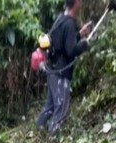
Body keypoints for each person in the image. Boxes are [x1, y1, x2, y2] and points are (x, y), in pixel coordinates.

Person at [36, 0, 92, 134]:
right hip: (61, 73)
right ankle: (52, 139)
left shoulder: (61, 19)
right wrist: (84, 44)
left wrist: (79, 35)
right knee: (61, 110)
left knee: (49, 107)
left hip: (52, 70)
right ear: (76, 2)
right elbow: (71, 51)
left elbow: (62, 43)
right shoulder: (69, 23)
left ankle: (37, 133)